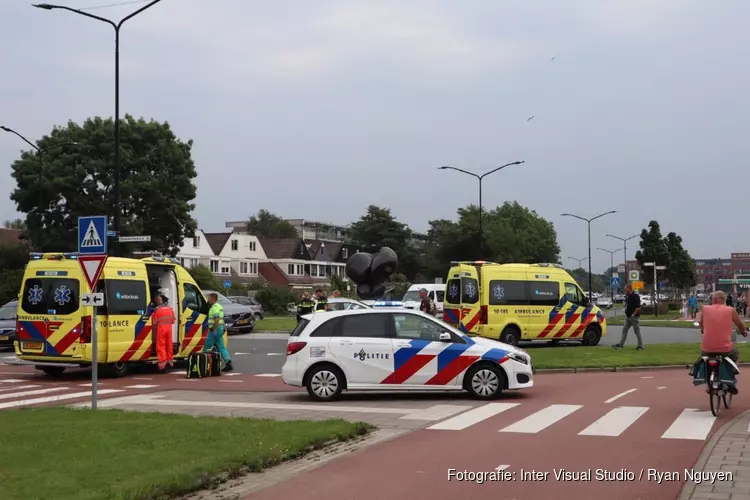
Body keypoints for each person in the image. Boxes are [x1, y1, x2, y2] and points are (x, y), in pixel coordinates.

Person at [699, 291, 747, 393]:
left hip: (706, 348)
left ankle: (708, 382)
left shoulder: (705, 309)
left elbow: (701, 325)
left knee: (704, 358)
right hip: (725, 349)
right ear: (724, 299)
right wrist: (743, 332)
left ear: (713, 299)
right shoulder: (730, 310)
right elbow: (740, 325)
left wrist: (703, 330)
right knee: (735, 354)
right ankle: (730, 380)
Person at [204, 292, 233, 372]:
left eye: (208, 298)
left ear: (213, 299)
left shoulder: (214, 308)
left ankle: (205, 363)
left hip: (214, 329)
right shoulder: (219, 306)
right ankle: (228, 362)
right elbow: (220, 319)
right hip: (219, 328)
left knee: (207, 346)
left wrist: (214, 329)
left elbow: (216, 319)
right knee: (221, 346)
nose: (207, 300)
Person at [613, 283, 643, 350]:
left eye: (625, 288)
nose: (624, 289)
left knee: (637, 331)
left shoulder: (636, 296)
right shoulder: (628, 296)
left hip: (634, 317)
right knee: (624, 330)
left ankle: (640, 346)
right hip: (628, 317)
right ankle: (621, 345)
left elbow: (638, 307)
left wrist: (633, 314)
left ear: (629, 288)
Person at [152, 295, 176, 371]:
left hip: (161, 329)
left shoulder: (156, 310)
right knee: (169, 345)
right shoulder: (170, 309)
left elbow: (154, 322)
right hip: (169, 329)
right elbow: (173, 320)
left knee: (160, 346)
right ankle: (170, 361)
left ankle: (162, 363)